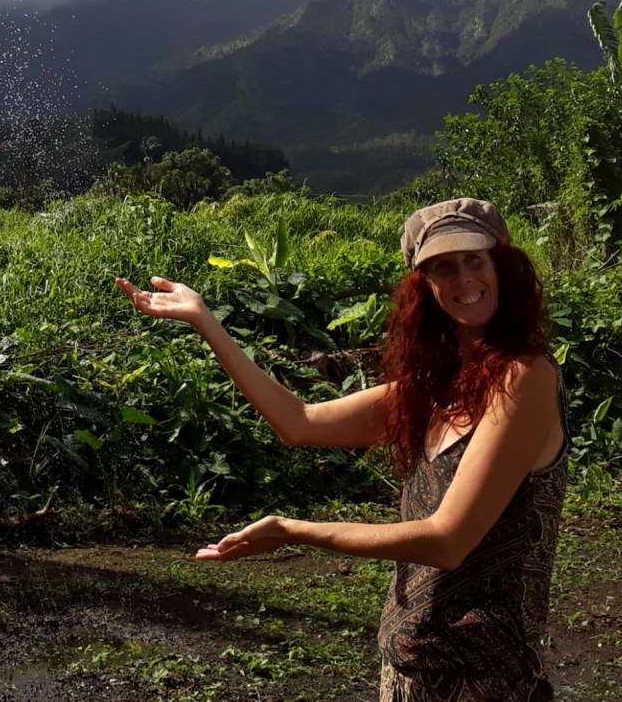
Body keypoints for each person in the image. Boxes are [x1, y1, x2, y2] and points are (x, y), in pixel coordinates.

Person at [115, 198, 568, 702]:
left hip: (485, 681)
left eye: (474, 259)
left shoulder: (525, 378)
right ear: (424, 286)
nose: (463, 278)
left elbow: (447, 541)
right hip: (412, 670)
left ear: (502, 267)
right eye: (443, 266)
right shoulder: (436, 388)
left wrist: (294, 531)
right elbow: (298, 423)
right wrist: (205, 321)